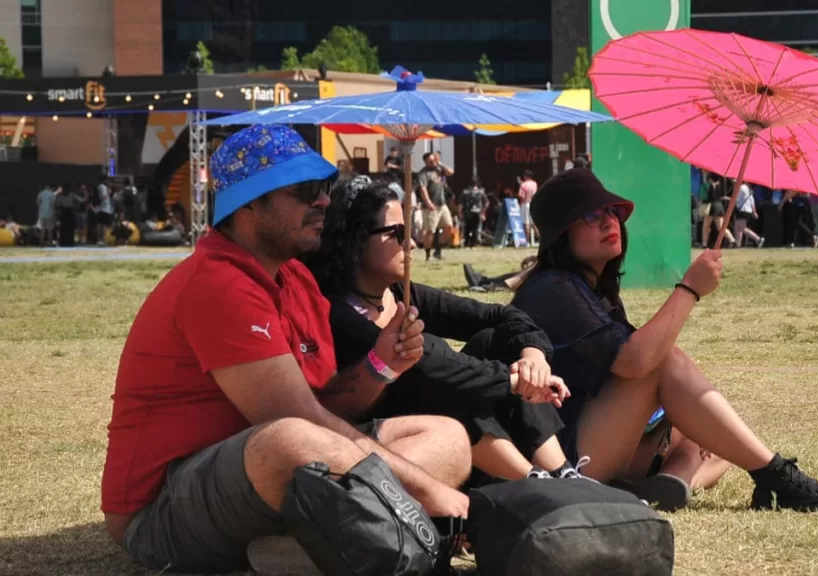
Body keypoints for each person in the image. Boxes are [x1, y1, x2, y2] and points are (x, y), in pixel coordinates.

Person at [100, 125, 472, 574]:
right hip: (161, 510)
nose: (323, 201)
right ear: (248, 204)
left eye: (324, 188)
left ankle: (307, 546)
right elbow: (301, 424)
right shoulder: (217, 284)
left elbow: (325, 404)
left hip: (262, 481)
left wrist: (381, 365)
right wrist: (431, 493)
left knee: (448, 438)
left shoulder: (295, 280)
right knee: (289, 440)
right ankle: (366, 534)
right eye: (304, 191)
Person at [511, 168, 818, 512]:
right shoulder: (553, 288)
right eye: (590, 215)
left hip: (590, 438)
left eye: (612, 211)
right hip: (561, 462)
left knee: (719, 437)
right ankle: (779, 478)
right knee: (667, 364)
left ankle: (673, 482)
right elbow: (637, 362)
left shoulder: (588, 288)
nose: (609, 221)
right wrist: (689, 289)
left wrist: (676, 417)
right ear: (561, 233)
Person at [302, 177, 583, 485]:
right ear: (354, 240)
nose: (410, 242)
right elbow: (429, 366)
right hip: (406, 439)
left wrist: (533, 358)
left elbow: (500, 315)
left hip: (458, 429)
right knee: (443, 377)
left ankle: (563, 472)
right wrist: (511, 381)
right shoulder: (334, 310)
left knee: (492, 340)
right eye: (397, 233)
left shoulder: (401, 293)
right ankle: (533, 480)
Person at [417, 152, 455, 261]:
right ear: (425, 161)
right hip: (431, 206)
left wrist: (440, 164)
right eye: (431, 161)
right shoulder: (423, 173)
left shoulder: (438, 169)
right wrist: (428, 203)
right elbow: (422, 189)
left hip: (442, 204)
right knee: (430, 231)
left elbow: (451, 172)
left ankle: (438, 251)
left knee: (449, 226)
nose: (433, 163)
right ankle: (428, 255)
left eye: (434, 160)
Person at [459, 175, 488, 249]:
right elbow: (487, 202)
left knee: (467, 228)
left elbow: (461, 204)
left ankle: (466, 243)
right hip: (477, 212)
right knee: (475, 229)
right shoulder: (481, 192)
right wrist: (482, 212)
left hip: (467, 212)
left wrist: (460, 213)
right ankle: (473, 244)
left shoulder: (465, 192)